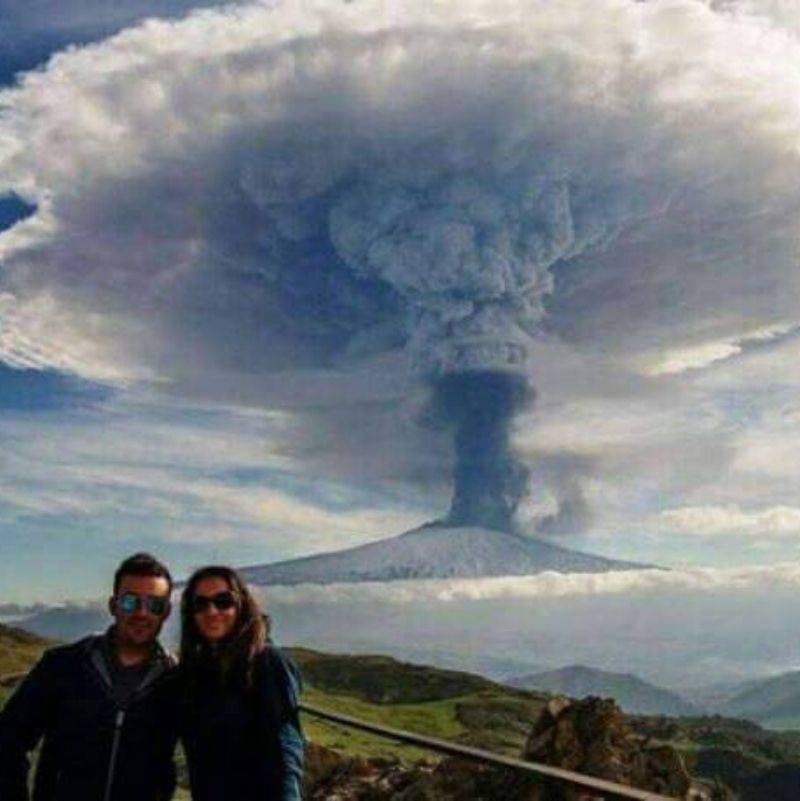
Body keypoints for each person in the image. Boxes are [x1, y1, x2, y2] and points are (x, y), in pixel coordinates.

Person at [0, 552, 179, 801]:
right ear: (113, 605)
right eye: (130, 602)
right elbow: (7, 741)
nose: (142, 613)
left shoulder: (176, 683)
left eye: (154, 604)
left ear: (166, 612)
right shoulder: (62, 666)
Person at [179, 565, 304, 801]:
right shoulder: (198, 672)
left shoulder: (267, 663)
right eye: (200, 604)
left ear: (241, 606)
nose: (211, 611)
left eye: (223, 601)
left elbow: (286, 748)